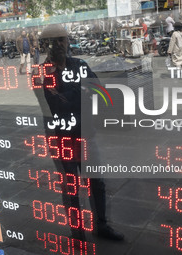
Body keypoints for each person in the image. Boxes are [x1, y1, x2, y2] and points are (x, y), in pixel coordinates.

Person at [33, 24, 124, 242]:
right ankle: (77, 231)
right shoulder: (42, 72)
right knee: (71, 185)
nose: (59, 45)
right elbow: (55, 102)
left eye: (61, 40)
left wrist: (76, 93)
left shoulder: (80, 64)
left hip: (85, 133)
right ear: (46, 45)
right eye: (54, 41)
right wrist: (80, 91)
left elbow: (98, 91)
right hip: (61, 136)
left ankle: (101, 225)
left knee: (96, 181)